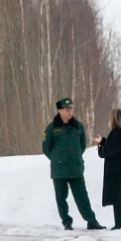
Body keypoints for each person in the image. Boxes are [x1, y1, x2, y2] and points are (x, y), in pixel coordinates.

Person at [42, 97, 103, 231]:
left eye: (71, 109)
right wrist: (56, 158)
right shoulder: (52, 128)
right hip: (59, 169)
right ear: (60, 110)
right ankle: (66, 222)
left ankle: (91, 221)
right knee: (61, 198)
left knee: (82, 196)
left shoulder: (78, 126)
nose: (69, 112)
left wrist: (76, 157)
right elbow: (46, 147)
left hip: (75, 168)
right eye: (66, 109)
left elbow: (82, 144)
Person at [94, 109, 121, 230]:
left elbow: (111, 150)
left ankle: (120, 224)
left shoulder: (118, 132)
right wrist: (103, 141)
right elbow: (115, 146)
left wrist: (101, 149)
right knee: (120, 200)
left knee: (118, 200)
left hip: (117, 172)